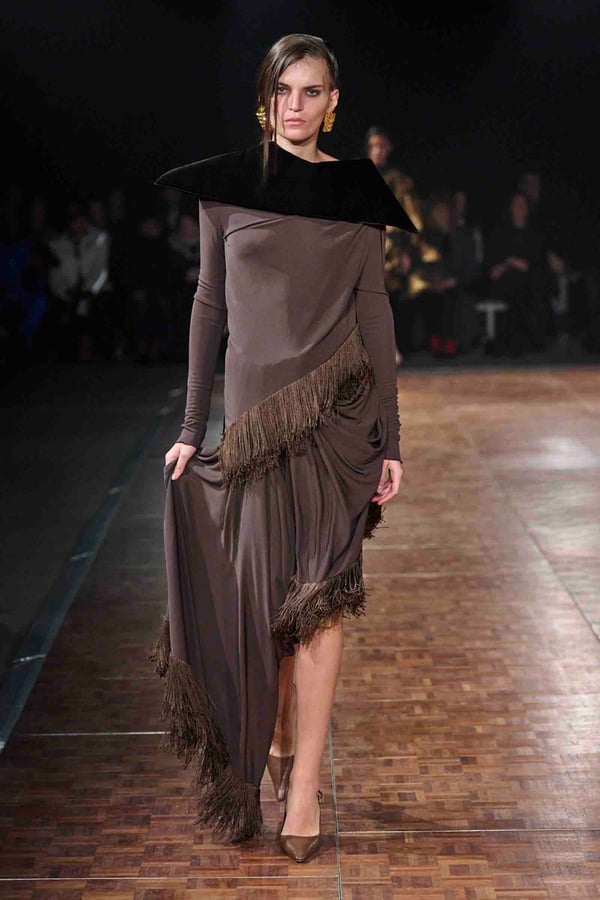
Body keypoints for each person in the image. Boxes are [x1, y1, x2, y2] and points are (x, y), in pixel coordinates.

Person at [146, 33, 417, 862]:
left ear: (333, 101)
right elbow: (209, 306)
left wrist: (392, 435)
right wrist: (192, 428)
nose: (295, 105)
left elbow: (375, 309)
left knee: (322, 601)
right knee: (270, 609)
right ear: (265, 98)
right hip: (258, 427)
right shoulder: (225, 189)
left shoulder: (357, 192)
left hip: (339, 421)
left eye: (312, 91)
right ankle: (276, 739)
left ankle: (303, 790)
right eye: (283, 90)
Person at [364, 126, 422, 364]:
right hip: (363, 244)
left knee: (390, 297)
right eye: (374, 146)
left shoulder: (399, 181)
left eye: (382, 146)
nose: (379, 150)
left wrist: (407, 250)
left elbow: (411, 216)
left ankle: (390, 346)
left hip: (391, 249)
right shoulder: (358, 176)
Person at [485, 191, 546, 356]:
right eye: (516, 205)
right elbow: (493, 261)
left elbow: (537, 262)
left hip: (529, 281)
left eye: (522, 205)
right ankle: (509, 339)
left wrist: (519, 264)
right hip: (505, 281)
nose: (519, 208)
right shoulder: (500, 232)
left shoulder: (535, 234)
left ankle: (519, 339)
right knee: (512, 283)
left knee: (524, 285)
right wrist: (501, 266)